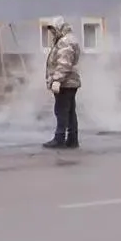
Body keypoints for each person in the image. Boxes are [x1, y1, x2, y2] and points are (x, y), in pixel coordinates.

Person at [43, 20, 82, 150]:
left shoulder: (65, 41)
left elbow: (64, 64)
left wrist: (57, 80)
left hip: (65, 82)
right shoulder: (67, 39)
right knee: (70, 112)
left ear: (59, 27)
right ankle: (72, 139)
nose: (52, 33)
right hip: (70, 82)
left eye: (53, 30)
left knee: (61, 111)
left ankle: (59, 139)